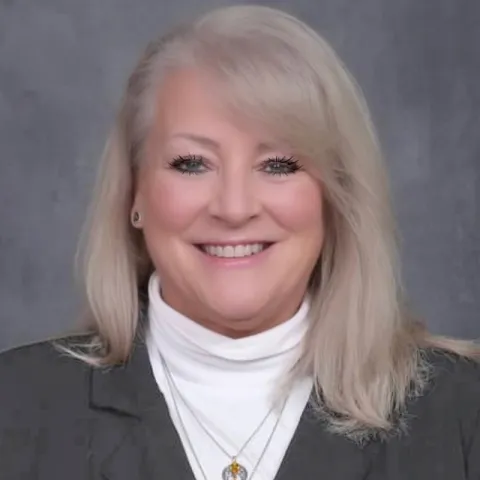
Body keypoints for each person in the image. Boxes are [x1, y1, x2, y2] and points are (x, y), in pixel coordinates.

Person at [1, 4, 479, 480]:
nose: (234, 208)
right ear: (134, 192)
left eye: (278, 165)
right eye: (192, 163)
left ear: (336, 198)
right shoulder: (14, 408)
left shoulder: (463, 415)